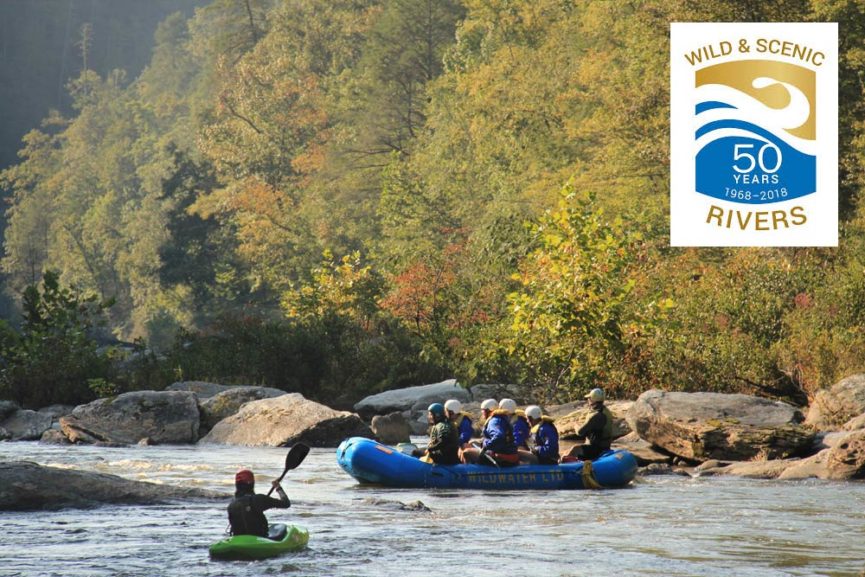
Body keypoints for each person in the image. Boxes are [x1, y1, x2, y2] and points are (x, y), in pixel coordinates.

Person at [227, 469, 291, 538]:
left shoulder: (231, 505)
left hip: (238, 539)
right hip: (260, 537)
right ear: (251, 484)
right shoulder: (259, 499)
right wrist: (278, 487)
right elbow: (286, 503)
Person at [461, 398, 519, 466]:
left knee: (466, 452)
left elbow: (498, 436)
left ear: (487, 411)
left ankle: (469, 473)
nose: (482, 413)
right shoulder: (502, 418)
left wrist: (486, 446)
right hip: (506, 451)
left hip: (500, 457)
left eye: (483, 411)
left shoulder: (494, 421)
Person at [563, 388, 614, 461]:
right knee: (566, 451)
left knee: (575, 449)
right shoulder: (605, 411)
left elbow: (580, 432)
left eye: (589, 398)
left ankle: (561, 468)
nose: (588, 400)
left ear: (593, 400)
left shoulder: (597, 416)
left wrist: (575, 425)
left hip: (596, 449)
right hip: (604, 446)